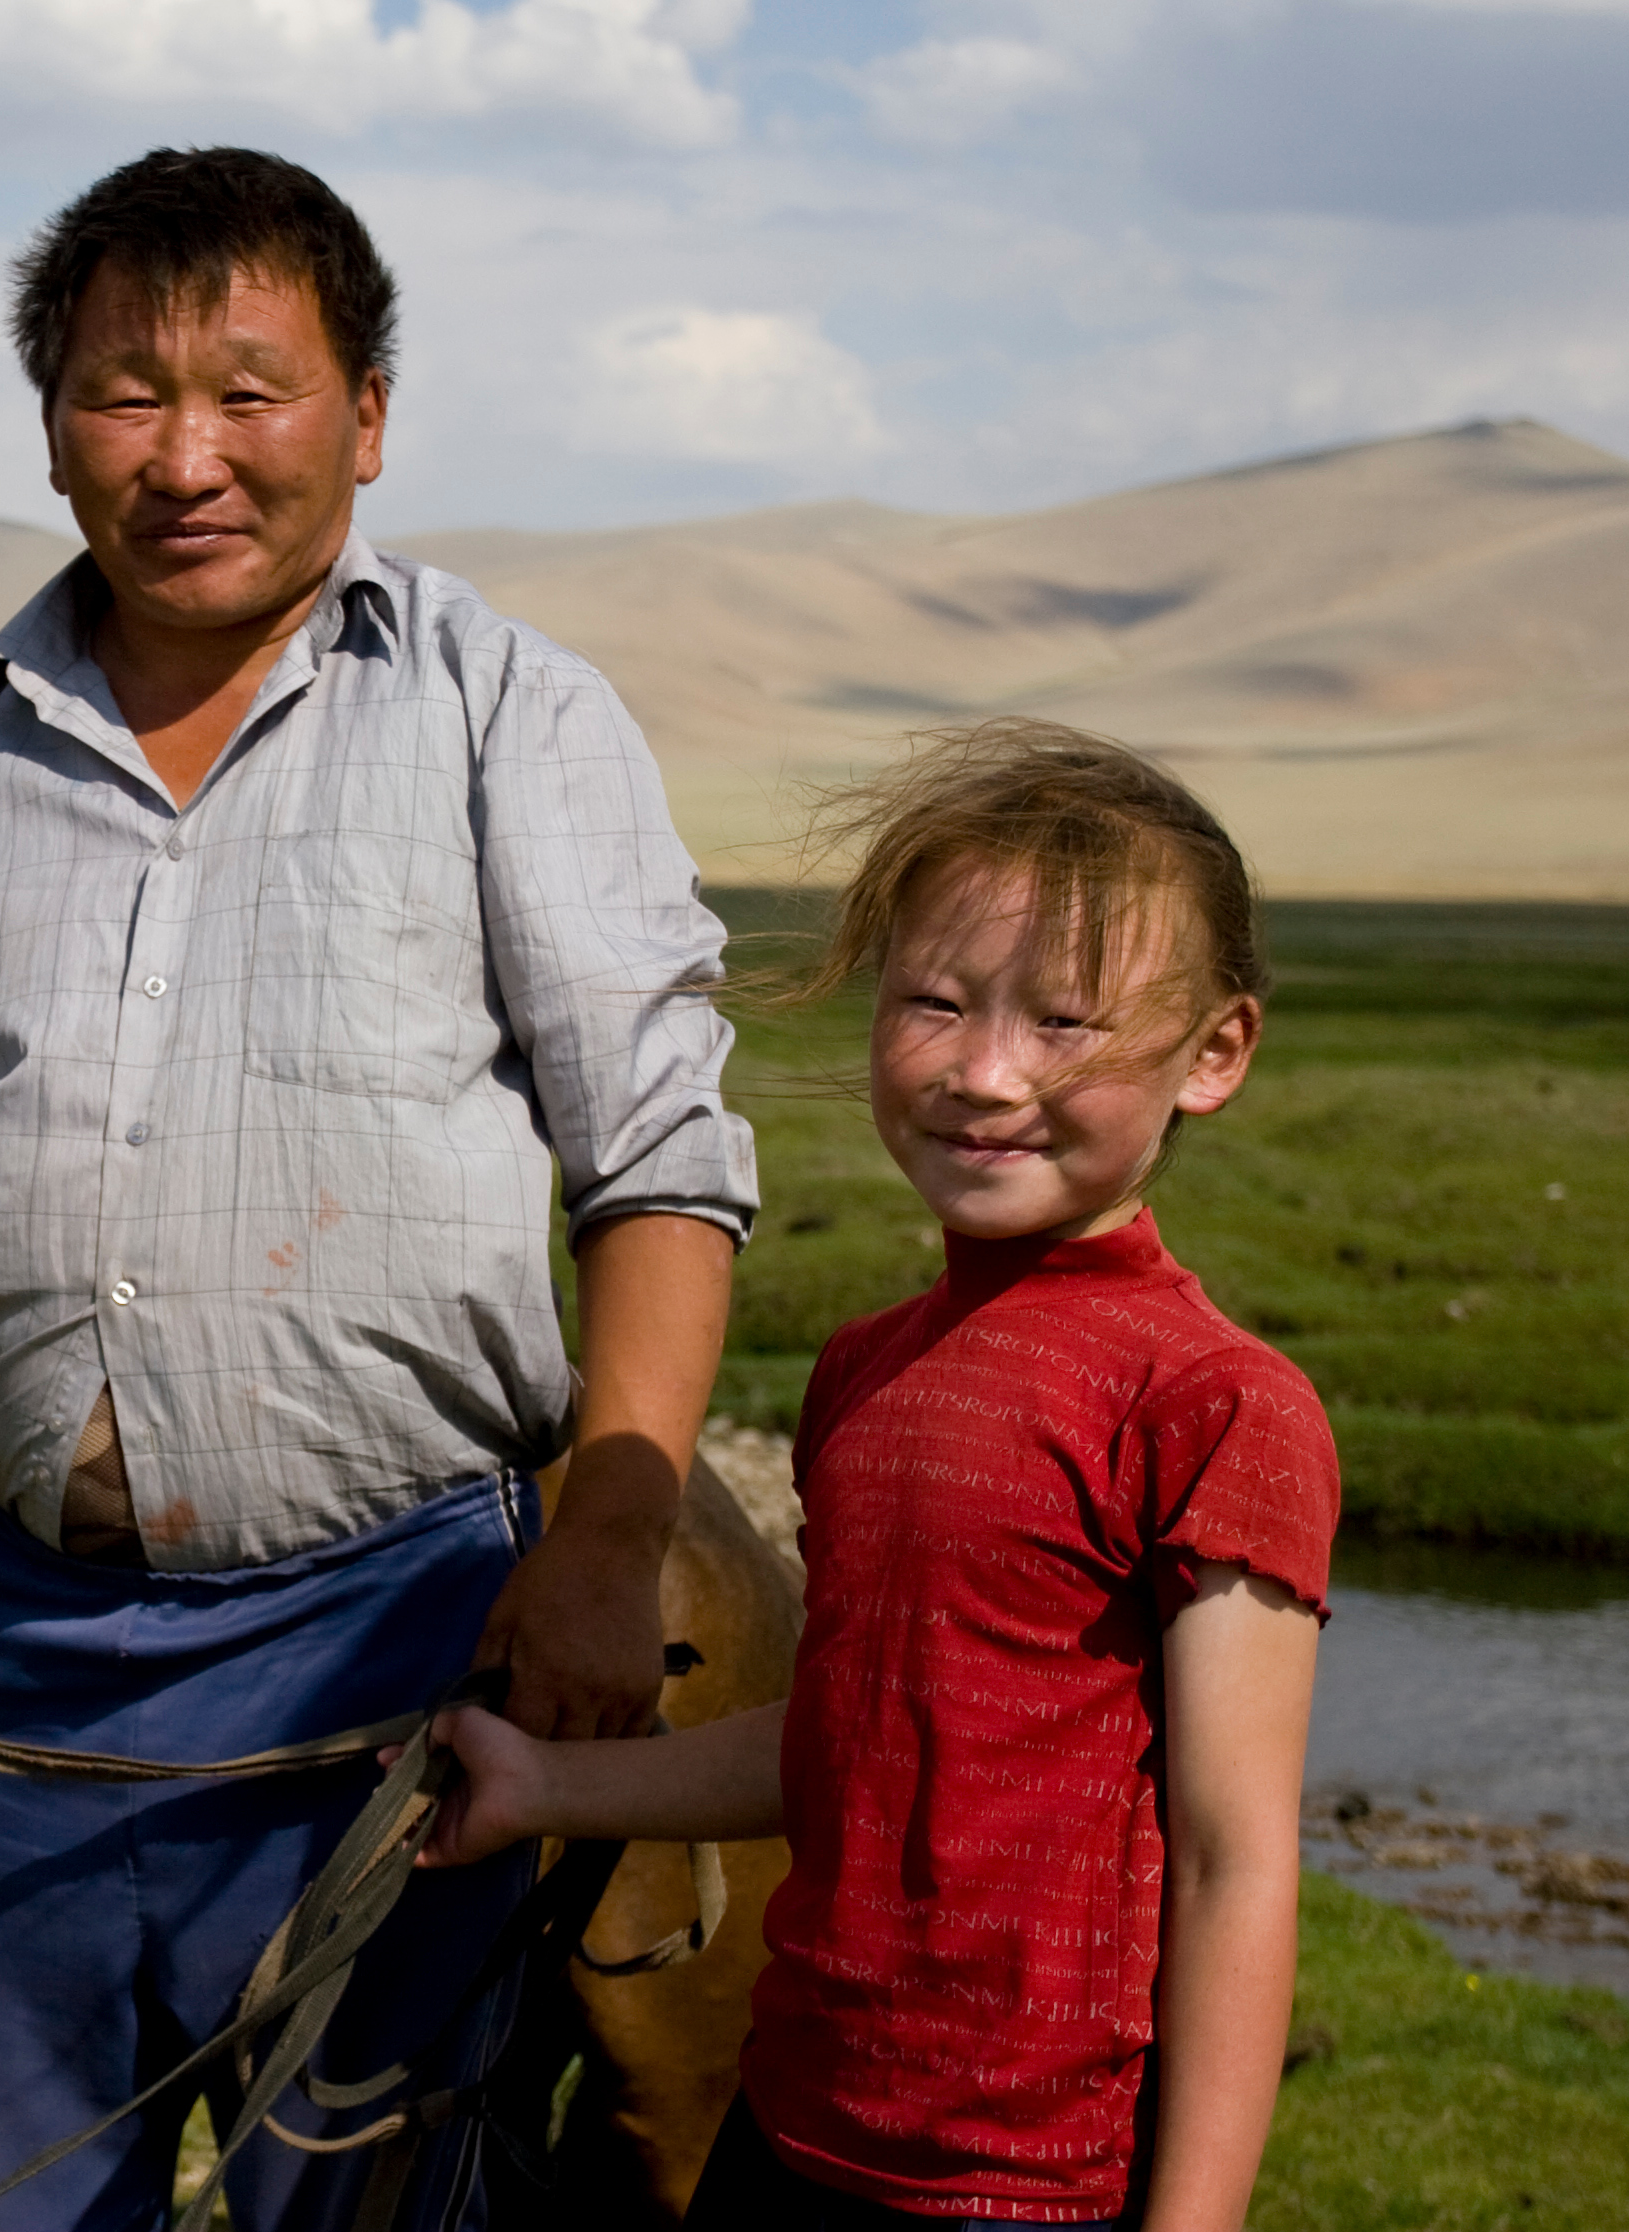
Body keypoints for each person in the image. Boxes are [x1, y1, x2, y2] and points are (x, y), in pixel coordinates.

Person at [0, 145, 758, 2230]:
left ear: (369, 412)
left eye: (249, 391)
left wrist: (608, 1522)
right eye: (123, 393)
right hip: (13, 1649)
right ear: (52, 427)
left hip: (393, 1626)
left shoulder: (504, 717)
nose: (186, 455)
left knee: (358, 2197)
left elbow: (656, 1157)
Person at [422, 720, 1339, 2232]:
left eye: (1066, 1024)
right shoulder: (868, 1368)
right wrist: (553, 1789)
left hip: (1032, 2183)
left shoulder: (1219, 1406)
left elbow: (1236, 1864)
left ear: (1216, 1053)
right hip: (795, 2128)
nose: (985, 1074)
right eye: (936, 1002)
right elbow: (847, 1737)